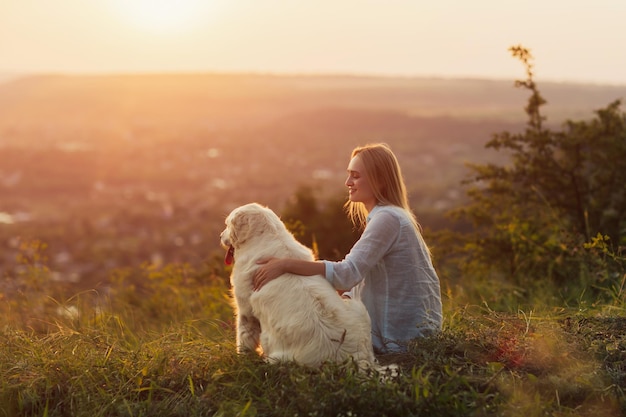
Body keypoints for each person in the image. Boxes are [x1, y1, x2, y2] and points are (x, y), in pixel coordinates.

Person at [253, 143, 443, 353]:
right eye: (349, 175)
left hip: (400, 339)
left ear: (379, 181)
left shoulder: (387, 219)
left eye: (355, 176)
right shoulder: (392, 216)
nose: (348, 182)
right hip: (409, 333)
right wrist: (345, 296)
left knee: (311, 336)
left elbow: (347, 273)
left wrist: (286, 265)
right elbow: (362, 275)